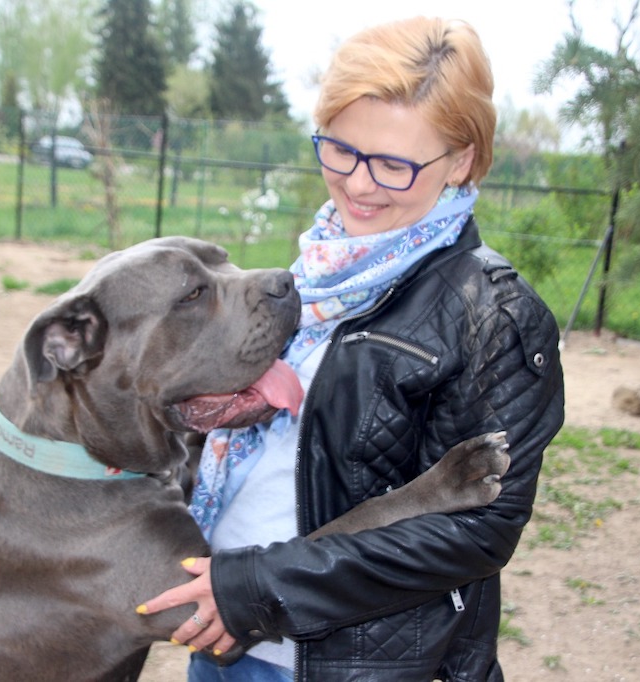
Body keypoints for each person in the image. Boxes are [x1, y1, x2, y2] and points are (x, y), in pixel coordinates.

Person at [138, 16, 565, 681]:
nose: (360, 184)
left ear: (462, 161)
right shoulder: (318, 274)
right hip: (225, 637)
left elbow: (478, 531)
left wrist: (255, 589)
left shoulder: (494, 314)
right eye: (341, 150)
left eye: (394, 164)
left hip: (352, 665)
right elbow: (283, 455)